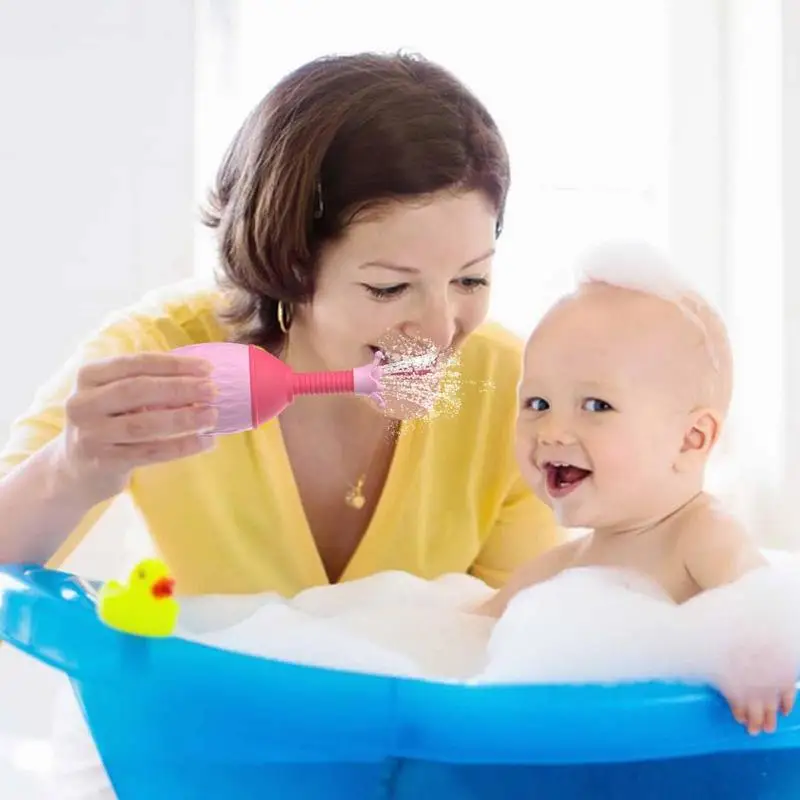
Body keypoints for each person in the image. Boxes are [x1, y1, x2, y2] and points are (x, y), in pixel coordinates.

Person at [0, 52, 560, 596]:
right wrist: (70, 471)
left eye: (470, 280)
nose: (441, 334)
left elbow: (515, 646)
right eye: (388, 288)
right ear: (287, 263)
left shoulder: (513, 388)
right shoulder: (163, 355)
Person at [476, 243, 797, 736]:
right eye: (537, 402)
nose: (552, 430)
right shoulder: (559, 570)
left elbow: (760, 610)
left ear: (691, 439)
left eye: (597, 405)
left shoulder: (700, 536)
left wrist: (757, 664)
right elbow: (457, 638)